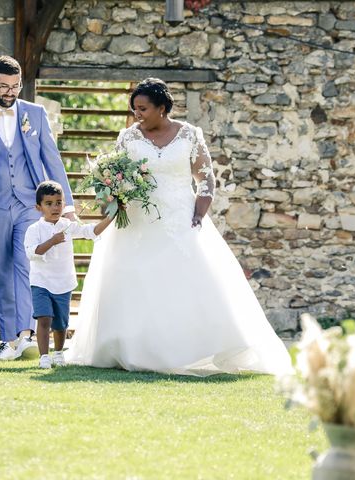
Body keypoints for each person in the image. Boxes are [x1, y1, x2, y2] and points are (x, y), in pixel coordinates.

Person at [66, 78, 292, 376]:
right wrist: (113, 194)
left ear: (162, 108)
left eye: (143, 108)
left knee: (189, 281)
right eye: (134, 109)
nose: (138, 114)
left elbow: (206, 178)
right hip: (137, 222)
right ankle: (133, 349)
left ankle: (193, 349)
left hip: (180, 218)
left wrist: (199, 212)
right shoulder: (128, 138)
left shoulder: (189, 135)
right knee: (134, 281)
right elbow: (114, 175)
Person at [0, 56, 75, 360]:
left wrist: (68, 204)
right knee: (1, 271)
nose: (10, 92)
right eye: (4, 86)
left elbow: (52, 159)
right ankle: (8, 340)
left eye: (16, 86)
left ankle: (25, 334)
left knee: (25, 263)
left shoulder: (35, 114)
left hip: (28, 204)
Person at [24, 181, 114, 369]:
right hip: (41, 282)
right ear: (38, 207)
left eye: (58, 202)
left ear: (64, 205)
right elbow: (33, 252)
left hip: (63, 282)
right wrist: (52, 241)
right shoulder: (34, 230)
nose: (55, 207)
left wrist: (111, 217)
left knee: (61, 322)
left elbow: (90, 231)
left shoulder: (68, 225)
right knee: (44, 318)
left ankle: (58, 353)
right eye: (49, 204)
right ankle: (44, 356)